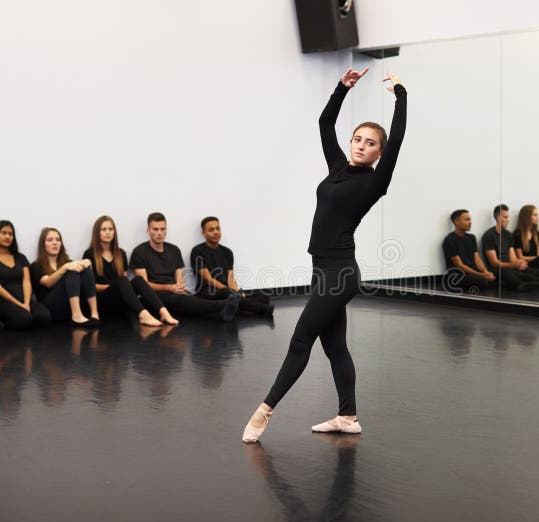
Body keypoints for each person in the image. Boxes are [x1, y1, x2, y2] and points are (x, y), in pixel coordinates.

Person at [242, 68, 407, 443]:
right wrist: (341, 88)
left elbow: (397, 139)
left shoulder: (375, 181)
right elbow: (324, 122)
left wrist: (401, 95)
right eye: (358, 139)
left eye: (370, 143)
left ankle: (263, 412)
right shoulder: (337, 168)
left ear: (378, 153)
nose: (361, 145)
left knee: (300, 340)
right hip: (322, 269)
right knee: (335, 347)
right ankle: (347, 416)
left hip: (341, 273)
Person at [129, 212, 239, 322]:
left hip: (175, 294)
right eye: (155, 229)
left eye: (163, 229)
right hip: (154, 297)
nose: (160, 233)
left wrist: (179, 287)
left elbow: (179, 278)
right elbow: (144, 285)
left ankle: (229, 306)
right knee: (183, 301)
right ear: (148, 231)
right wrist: (170, 288)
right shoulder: (140, 252)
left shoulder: (174, 250)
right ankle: (224, 305)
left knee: (189, 300)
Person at [83, 215, 178, 327]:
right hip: (102, 303)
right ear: (97, 233)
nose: (108, 232)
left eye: (110, 229)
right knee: (122, 280)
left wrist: (120, 286)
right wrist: (114, 286)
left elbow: (124, 283)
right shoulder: (89, 254)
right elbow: (89, 286)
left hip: (121, 304)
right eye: (104, 229)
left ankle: (163, 312)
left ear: (114, 232)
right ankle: (143, 315)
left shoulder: (120, 254)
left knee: (138, 280)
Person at [190, 216, 274, 316]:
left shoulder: (227, 252)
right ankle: (262, 309)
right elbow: (207, 278)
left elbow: (230, 277)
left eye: (218, 228)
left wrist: (236, 291)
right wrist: (230, 291)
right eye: (211, 230)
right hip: (207, 291)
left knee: (263, 296)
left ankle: (233, 306)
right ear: (204, 233)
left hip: (227, 290)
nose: (216, 232)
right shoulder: (198, 251)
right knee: (230, 295)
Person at [481, 205, 539, 292]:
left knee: (535, 271)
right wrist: (514, 264)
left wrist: (518, 263)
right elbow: (494, 263)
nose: (508, 220)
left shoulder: (508, 235)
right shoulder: (489, 236)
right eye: (505, 217)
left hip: (511, 266)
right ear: (498, 218)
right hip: (500, 269)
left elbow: (513, 257)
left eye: (508, 217)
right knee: (527, 275)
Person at [0, 220, 52, 329]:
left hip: (23, 298)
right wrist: (19, 305)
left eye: (10, 234)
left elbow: (27, 282)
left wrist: (26, 303)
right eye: (4, 233)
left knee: (44, 317)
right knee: (24, 319)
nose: (7, 237)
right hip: (1, 300)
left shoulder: (20, 257)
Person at [30, 227, 100, 326]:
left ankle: (94, 314)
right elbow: (48, 283)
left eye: (58, 240)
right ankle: (77, 315)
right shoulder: (36, 266)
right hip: (51, 308)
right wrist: (65, 268)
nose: (55, 243)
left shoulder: (68, 262)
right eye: (50, 240)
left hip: (68, 306)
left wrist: (87, 263)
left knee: (84, 269)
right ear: (43, 245)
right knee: (72, 270)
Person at [441, 209, 496, 291]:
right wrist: (481, 275)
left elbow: (477, 259)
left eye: (470, 219)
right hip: (458, 275)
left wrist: (485, 271)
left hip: (473, 272)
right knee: (483, 281)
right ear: (456, 221)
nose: (470, 222)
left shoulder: (471, 238)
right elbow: (459, 265)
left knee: (497, 276)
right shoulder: (450, 240)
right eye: (467, 220)